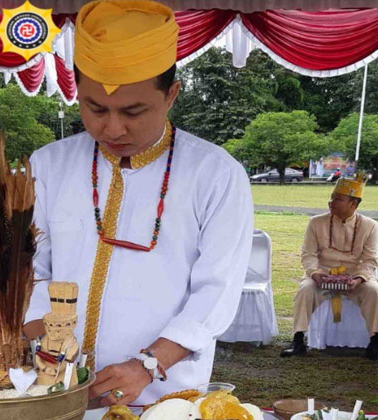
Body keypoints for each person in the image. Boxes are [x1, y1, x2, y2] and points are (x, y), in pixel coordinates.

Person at [22, 0, 253, 408]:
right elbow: (32, 268)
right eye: (95, 108)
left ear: (171, 96)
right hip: (55, 387)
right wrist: (47, 346)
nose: (112, 128)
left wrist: (149, 363)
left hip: (163, 396)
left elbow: (216, 291)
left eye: (133, 111)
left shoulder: (216, 174)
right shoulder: (48, 165)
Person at [281, 176, 378, 360]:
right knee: (305, 289)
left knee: (374, 290)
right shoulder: (315, 222)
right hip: (322, 274)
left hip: (354, 277)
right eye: (332, 197)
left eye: (337, 199)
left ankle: (375, 342)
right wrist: (315, 273)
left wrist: (358, 279)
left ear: (353, 203)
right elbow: (308, 254)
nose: (331, 202)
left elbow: (370, 259)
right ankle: (298, 340)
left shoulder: (371, 226)